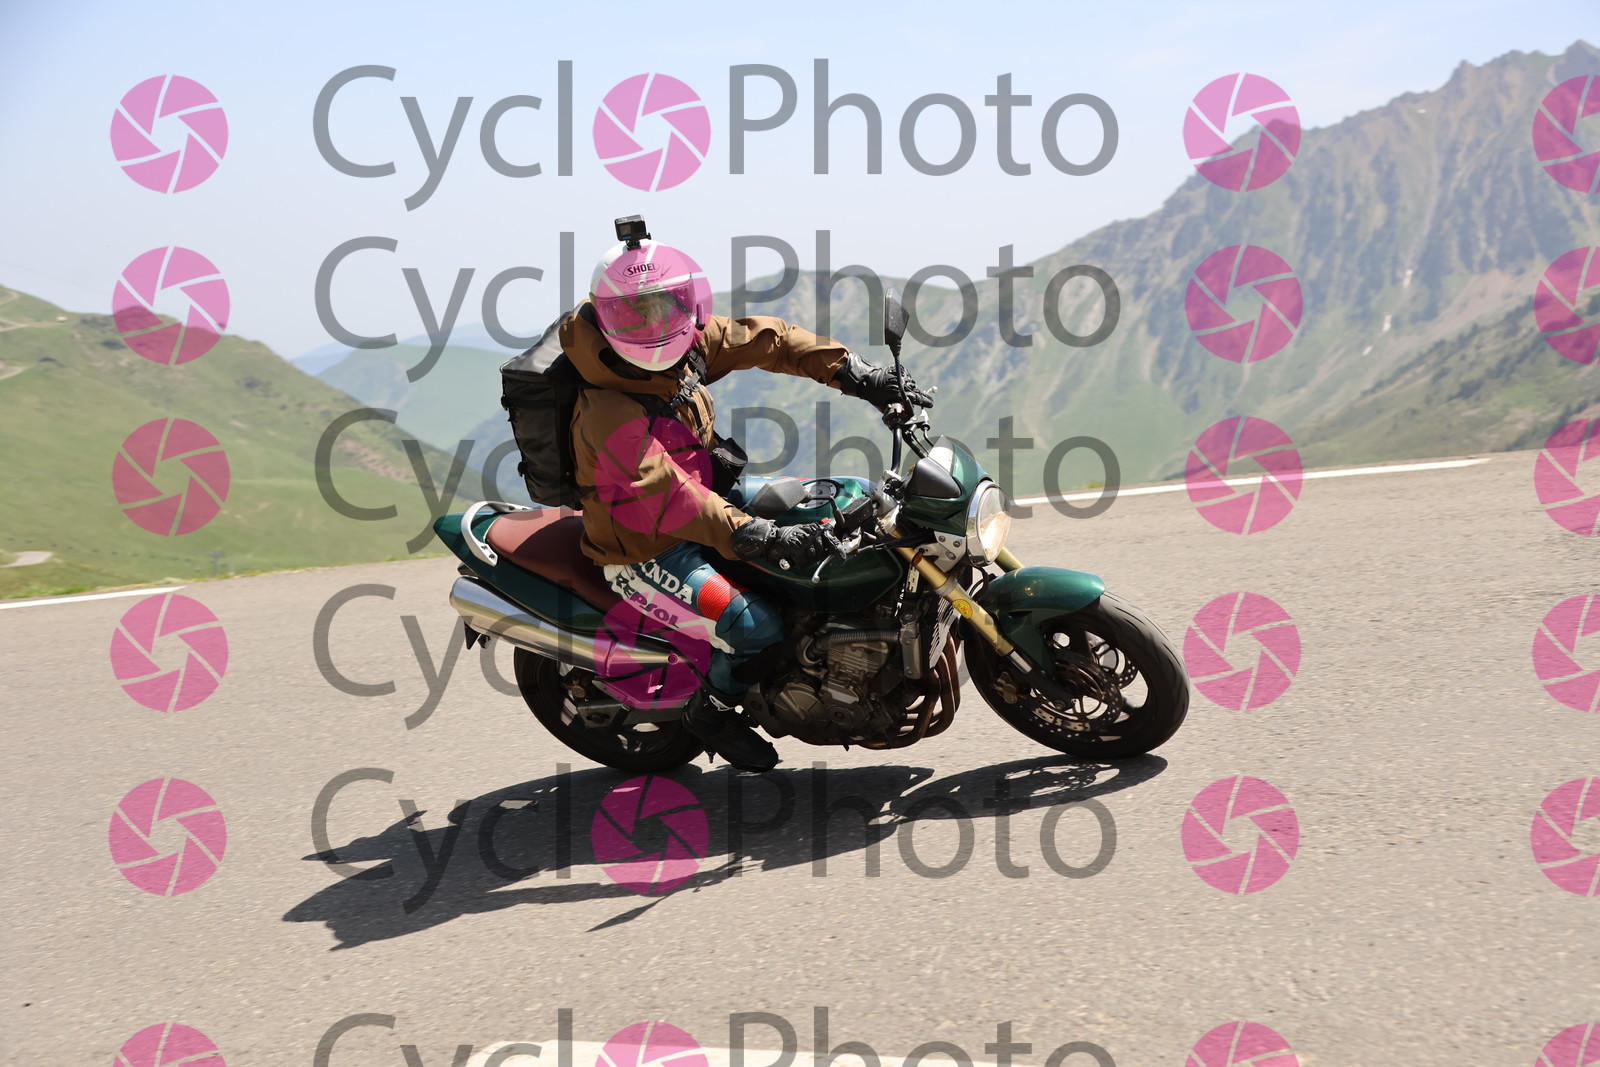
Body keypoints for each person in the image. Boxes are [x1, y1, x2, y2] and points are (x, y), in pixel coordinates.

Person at [561, 220, 931, 772]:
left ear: (684, 300)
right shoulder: (605, 407)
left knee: (845, 499)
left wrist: (857, 374)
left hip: (714, 493)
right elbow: (669, 496)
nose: (654, 324)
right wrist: (757, 535)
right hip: (647, 547)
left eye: (663, 306)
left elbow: (770, 340)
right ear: (606, 316)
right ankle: (710, 712)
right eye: (635, 314)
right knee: (753, 626)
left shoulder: (687, 342)